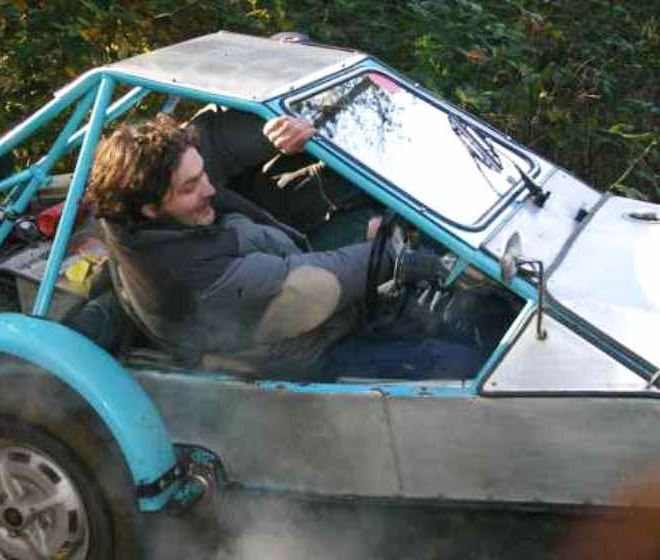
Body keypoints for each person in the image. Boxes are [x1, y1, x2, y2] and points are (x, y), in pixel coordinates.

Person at [79, 110, 484, 381]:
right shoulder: (191, 273)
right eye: (191, 186)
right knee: (464, 362)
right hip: (301, 346)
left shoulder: (148, 205)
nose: (209, 188)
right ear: (150, 207)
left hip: (296, 281)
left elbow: (215, 141)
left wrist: (277, 131)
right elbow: (313, 280)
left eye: (202, 174)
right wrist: (397, 260)